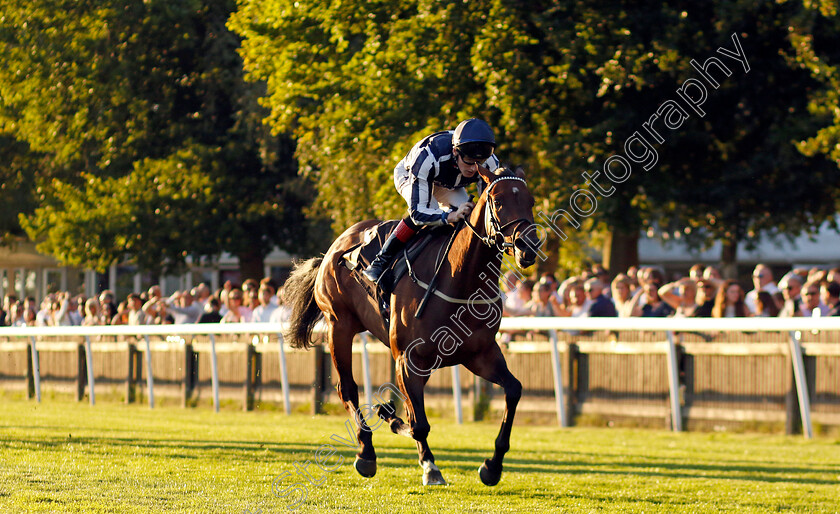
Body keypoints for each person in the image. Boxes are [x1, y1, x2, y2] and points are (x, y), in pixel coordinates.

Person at [362, 118, 500, 284]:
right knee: (430, 211)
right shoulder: (428, 156)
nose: (474, 168)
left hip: (448, 184)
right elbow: (418, 213)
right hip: (412, 175)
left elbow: (487, 208)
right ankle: (380, 261)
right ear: (456, 152)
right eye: (469, 162)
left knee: (469, 218)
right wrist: (450, 215)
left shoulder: (490, 162)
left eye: (480, 163)